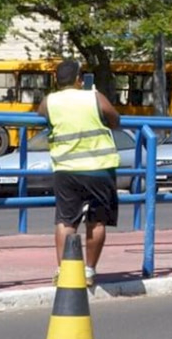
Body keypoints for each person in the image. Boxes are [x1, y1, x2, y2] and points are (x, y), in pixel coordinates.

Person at [37, 59, 121, 287]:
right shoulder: (93, 96)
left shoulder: (49, 101)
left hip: (66, 169)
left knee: (65, 221)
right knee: (97, 222)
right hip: (98, 167)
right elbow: (115, 119)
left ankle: (64, 271)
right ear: (79, 79)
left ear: (56, 80)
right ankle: (89, 271)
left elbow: (41, 114)